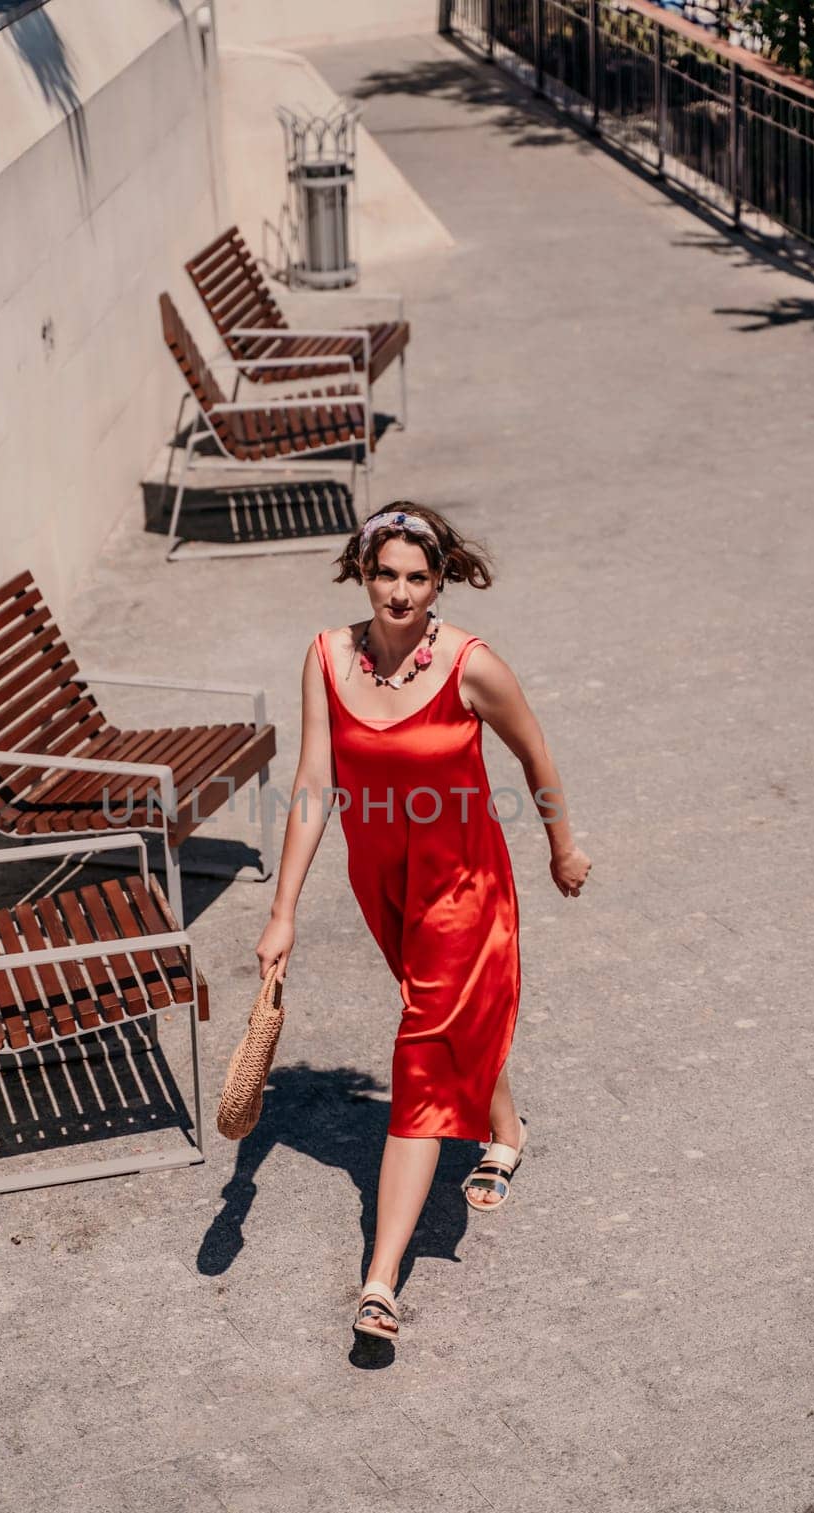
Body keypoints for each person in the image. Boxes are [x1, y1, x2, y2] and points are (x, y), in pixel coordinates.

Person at [255, 501, 591, 1344]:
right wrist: (283, 912)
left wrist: (561, 848)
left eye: (416, 577)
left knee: (421, 1048)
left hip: (463, 881)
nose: (398, 593)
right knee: (438, 1017)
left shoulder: (471, 664)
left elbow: (533, 753)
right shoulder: (327, 656)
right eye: (384, 574)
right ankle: (504, 1130)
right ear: (360, 574)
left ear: (439, 580)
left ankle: (380, 1280)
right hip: (382, 878)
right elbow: (311, 787)